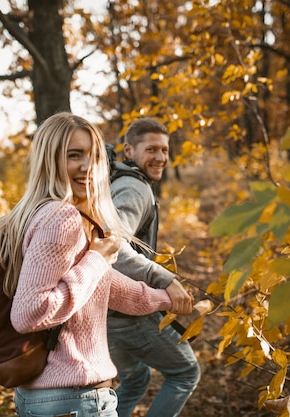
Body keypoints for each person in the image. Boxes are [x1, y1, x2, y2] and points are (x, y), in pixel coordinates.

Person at [0, 112, 191, 417]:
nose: (88, 166)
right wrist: (97, 257)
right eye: (74, 155)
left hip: (55, 397)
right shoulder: (62, 219)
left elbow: (113, 288)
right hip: (75, 399)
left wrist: (166, 298)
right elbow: (30, 313)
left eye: (94, 156)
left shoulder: (42, 214)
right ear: (49, 160)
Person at [107, 117, 201, 417]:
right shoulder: (134, 188)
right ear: (129, 151)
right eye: (152, 150)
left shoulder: (116, 181)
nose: (160, 157)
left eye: (164, 150)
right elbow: (113, 248)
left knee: (136, 378)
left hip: (106, 311)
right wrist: (164, 278)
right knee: (185, 373)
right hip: (128, 313)